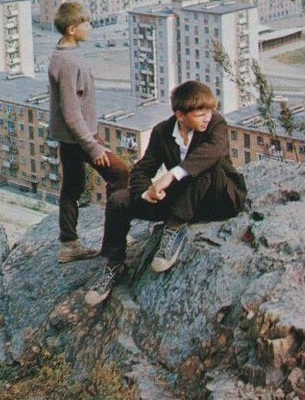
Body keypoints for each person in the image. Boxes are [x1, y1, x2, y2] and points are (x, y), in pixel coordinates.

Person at [85, 80, 247, 305]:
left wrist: (171, 175)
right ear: (180, 115)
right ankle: (114, 264)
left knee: (206, 165)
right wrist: (146, 193)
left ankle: (175, 227)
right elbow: (142, 169)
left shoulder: (216, 124)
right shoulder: (162, 131)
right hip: (183, 199)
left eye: (209, 111)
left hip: (218, 198)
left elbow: (213, 152)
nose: (207, 118)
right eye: (200, 114)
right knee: (118, 199)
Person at [48, 2, 130, 264]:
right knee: (120, 173)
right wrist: (92, 145)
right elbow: (71, 113)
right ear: (72, 29)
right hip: (79, 138)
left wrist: (93, 136)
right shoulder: (68, 62)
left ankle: (69, 244)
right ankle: (113, 243)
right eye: (86, 23)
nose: (91, 27)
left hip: (73, 137)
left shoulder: (64, 55)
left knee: (72, 187)